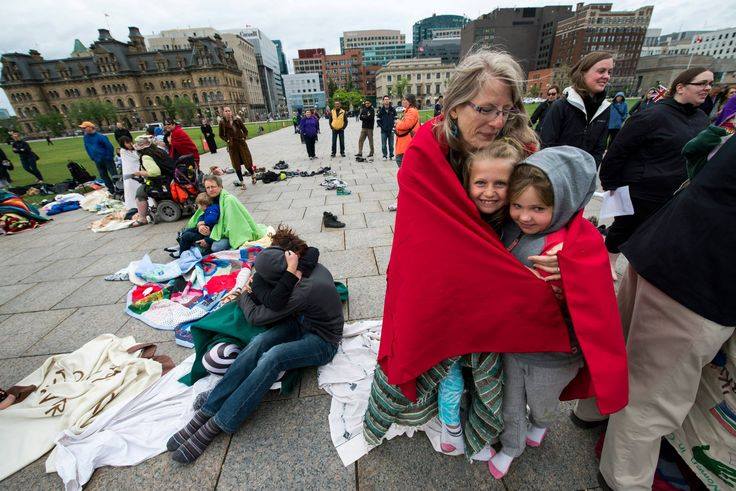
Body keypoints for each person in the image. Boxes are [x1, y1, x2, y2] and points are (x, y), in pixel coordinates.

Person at [363, 51, 627, 459]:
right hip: (447, 272)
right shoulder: (423, 153)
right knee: (437, 346)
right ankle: (445, 416)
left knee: (496, 357)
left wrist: (568, 258)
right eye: (485, 109)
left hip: (505, 266)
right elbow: (422, 238)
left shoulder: (521, 145)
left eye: (505, 110)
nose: (496, 121)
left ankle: (493, 421)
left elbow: (555, 210)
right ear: (454, 105)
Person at [596, 125, 736, 491]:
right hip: (704, 278)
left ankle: (592, 413)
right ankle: (622, 480)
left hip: (666, 246)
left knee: (617, 347)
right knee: (653, 394)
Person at [489, 146, 616, 479]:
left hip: (555, 355)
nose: (525, 216)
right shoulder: (511, 229)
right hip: (514, 343)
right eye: (517, 205)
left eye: (538, 208)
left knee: (543, 403)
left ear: (565, 203)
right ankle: (512, 445)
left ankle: (541, 423)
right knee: (510, 400)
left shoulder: (581, 243)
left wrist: (572, 278)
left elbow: (598, 303)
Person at [166, 245, 344, 464]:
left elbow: (258, 317)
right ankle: (209, 407)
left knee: (274, 357)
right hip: (301, 322)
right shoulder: (300, 267)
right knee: (259, 342)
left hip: (322, 341)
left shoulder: (301, 291)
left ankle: (220, 422)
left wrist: (243, 295)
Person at [438, 139, 523, 455]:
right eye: (481, 183)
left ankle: (479, 429)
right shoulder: (457, 216)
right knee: (451, 374)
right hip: (451, 313)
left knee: (485, 375)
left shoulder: (516, 221)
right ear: (467, 183)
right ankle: (451, 425)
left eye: (500, 183)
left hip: (489, 317)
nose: (490, 191)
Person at [597, 67, 712, 278]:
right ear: (681, 87)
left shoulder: (702, 120)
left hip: (676, 190)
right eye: (702, 83)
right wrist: (610, 184)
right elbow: (618, 150)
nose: (707, 88)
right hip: (640, 188)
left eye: (710, 84)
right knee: (624, 228)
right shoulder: (651, 116)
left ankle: (637, 271)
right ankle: (608, 262)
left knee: (656, 234)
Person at [539, 51, 613, 167]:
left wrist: (589, 172)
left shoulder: (605, 109)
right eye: (601, 71)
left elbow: (599, 148)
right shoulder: (561, 106)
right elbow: (546, 145)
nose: (607, 76)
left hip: (584, 178)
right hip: (557, 176)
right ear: (583, 72)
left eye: (609, 72)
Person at [165, 174, 266, 253]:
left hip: (226, 234)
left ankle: (189, 245)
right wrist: (201, 224)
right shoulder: (208, 198)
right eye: (207, 187)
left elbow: (232, 225)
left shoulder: (228, 200)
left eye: (213, 186)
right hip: (211, 230)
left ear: (220, 186)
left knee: (216, 247)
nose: (210, 190)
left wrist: (210, 236)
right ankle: (184, 245)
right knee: (189, 230)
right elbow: (201, 214)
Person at [130, 135, 166, 227]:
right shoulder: (159, 150)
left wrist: (140, 173)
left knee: (140, 192)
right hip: (168, 178)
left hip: (160, 182)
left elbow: (155, 172)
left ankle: (142, 218)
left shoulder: (146, 156)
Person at [171, 192, 220, 258]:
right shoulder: (209, 209)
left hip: (207, 236)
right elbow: (202, 216)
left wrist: (203, 223)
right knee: (187, 230)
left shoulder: (212, 209)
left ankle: (182, 253)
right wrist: (200, 224)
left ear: (204, 205)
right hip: (204, 233)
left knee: (187, 235)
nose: (198, 207)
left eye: (199, 205)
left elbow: (211, 219)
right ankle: (182, 246)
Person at [219, 107, 255, 187]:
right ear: (223, 113)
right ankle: (242, 182)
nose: (228, 112)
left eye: (229, 110)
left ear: (231, 112)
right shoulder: (222, 122)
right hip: (232, 146)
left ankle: (253, 175)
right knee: (236, 164)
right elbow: (221, 135)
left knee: (247, 161)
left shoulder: (237, 120)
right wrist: (227, 140)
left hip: (241, 144)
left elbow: (245, 130)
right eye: (226, 111)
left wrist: (244, 137)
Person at [80, 121, 116, 192]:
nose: (83, 129)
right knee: (103, 175)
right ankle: (111, 189)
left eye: (84, 128)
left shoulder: (101, 136)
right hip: (97, 160)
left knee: (113, 174)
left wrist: (109, 156)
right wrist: (92, 157)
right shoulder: (85, 137)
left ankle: (119, 188)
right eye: (82, 128)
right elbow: (87, 147)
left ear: (90, 127)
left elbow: (109, 147)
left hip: (106, 159)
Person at [394, 93, 420, 168]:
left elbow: (405, 125)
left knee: (403, 168)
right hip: (404, 144)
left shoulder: (411, 111)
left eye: (404, 99)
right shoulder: (409, 111)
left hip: (406, 145)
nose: (402, 101)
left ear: (410, 101)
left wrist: (398, 122)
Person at [118, 136, 142, 211]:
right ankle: (133, 205)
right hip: (129, 171)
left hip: (137, 169)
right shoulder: (123, 151)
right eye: (127, 143)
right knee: (131, 187)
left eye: (130, 142)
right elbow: (136, 158)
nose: (130, 144)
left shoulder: (134, 149)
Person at [376, 96, 396, 161]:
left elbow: (396, 119)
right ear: (383, 101)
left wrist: (393, 127)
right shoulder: (381, 110)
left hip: (391, 130)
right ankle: (384, 155)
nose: (386, 101)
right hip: (383, 131)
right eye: (385, 99)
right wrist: (382, 127)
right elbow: (378, 120)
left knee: (391, 144)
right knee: (384, 145)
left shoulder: (393, 109)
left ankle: (391, 155)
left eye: (387, 99)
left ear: (389, 100)